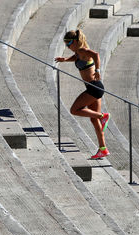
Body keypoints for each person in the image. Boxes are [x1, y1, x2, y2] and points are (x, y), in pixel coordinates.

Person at [55, 29, 110, 159]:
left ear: (75, 42)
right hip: (94, 88)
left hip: (94, 88)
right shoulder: (78, 53)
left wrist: (97, 70)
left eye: (68, 44)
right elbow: (76, 58)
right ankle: (103, 149)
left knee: (74, 110)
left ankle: (103, 116)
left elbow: (96, 55)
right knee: (94, 120)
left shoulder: (83, 50)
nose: (67, 47)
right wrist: (65, 60)